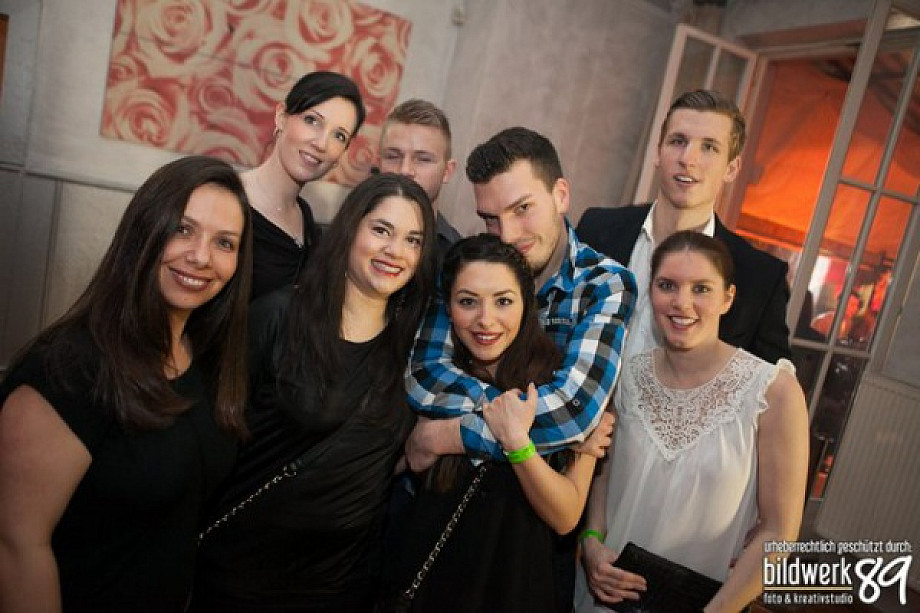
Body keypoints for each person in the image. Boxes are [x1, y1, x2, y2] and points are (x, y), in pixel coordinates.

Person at [0, 156, 253, 612]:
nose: (201, 257)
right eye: (183, 229)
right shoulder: (67, 369)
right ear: (145, 229)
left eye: (224, 243)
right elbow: (17, 546)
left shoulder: (206, 360)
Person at [404, 127, 637, 609]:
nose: (507, 235)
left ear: (561, 195)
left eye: (522, 209)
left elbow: (570, 411)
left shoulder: (602, 284)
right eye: (491, 218)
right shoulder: (469, 266)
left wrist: (450, 434)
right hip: (444, 514)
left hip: (530, 539)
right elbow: (426, 376)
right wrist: (517, 424)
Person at [192, 173, 437, 612]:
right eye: (381, 230)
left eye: (412, 240)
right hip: (245, 575)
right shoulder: (279, 317)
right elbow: (208, 442)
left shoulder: (416, 347)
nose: (395, 251)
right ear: (350, 230)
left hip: (344, 585)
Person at [575, 231, 809, 613]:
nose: (682, 303)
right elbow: (602, 473)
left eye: (701, 288)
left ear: (728, 298)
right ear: (650, 292)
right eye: (667, 285)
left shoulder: (773, 391)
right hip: (606, 596)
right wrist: (591, 542)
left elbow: (778, 532)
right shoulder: (625, 375)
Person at [381, 233, 616, 612]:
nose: (485, 320)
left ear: (526, 304)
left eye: (503, 301)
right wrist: (425, 442)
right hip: (429, 576)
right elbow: (405, 459)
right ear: (448, 308)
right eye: (467, 302)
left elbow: (565, 515)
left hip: (515, 583)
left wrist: (517, 442)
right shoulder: (434, 381)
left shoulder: (563, 391)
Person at [577, 89, 791, 365]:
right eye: (678, 141)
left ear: (732, 168)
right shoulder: (595, 229)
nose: (688, 159)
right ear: (658, 152)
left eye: (709, 147)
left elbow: (775, 383)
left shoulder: (760, 277)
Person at [244, 70, 366, 300]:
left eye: (339, 136)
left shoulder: (307, 221)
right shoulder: (229, 200)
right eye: (312, 121)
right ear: (281, 117)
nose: (321, 144)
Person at [377, 98, 462, 260]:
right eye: (393, 156)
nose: (405, 170)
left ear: (447, 171)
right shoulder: (346, 234)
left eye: (423, 159)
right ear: (378, 162)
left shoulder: (458, 258)